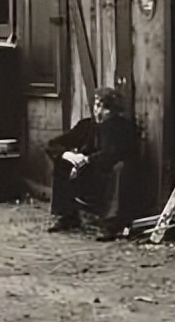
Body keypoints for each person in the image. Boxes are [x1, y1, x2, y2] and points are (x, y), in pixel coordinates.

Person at [46, 88, 136, 240]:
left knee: (121, 168)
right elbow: (53, 144)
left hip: (107, 174)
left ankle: (112, 224)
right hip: (86, 175)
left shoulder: (122, 127)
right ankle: (67, 216)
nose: (98, 111)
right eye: (97, 105)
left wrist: (87, 160)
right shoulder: (86, 126)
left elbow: (113, 153)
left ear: (114, 111)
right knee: (62, 163)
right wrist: (68, 155)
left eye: (105, 108)